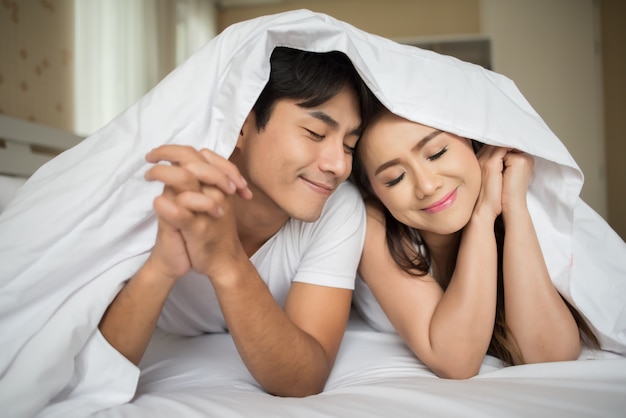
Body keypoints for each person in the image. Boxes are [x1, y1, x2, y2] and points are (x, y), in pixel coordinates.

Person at [97, 45, 378, 398]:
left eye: (350, 145)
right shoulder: (165, 187)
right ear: (242, 124)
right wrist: (161, 267)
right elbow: (94, 369)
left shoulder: (338, 208)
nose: (339, 165)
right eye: (316, 134)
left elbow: (304, 378)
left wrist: (227, 261)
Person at [351, 108, 600, 379]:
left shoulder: (516, 197)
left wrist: (513, 206)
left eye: (436, 153)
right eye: (394, 178)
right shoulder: (374, 222)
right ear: (373, 191)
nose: (427, 186)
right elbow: (456, 360)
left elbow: (550, 356)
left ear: (470, 138)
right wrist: (482, 215)